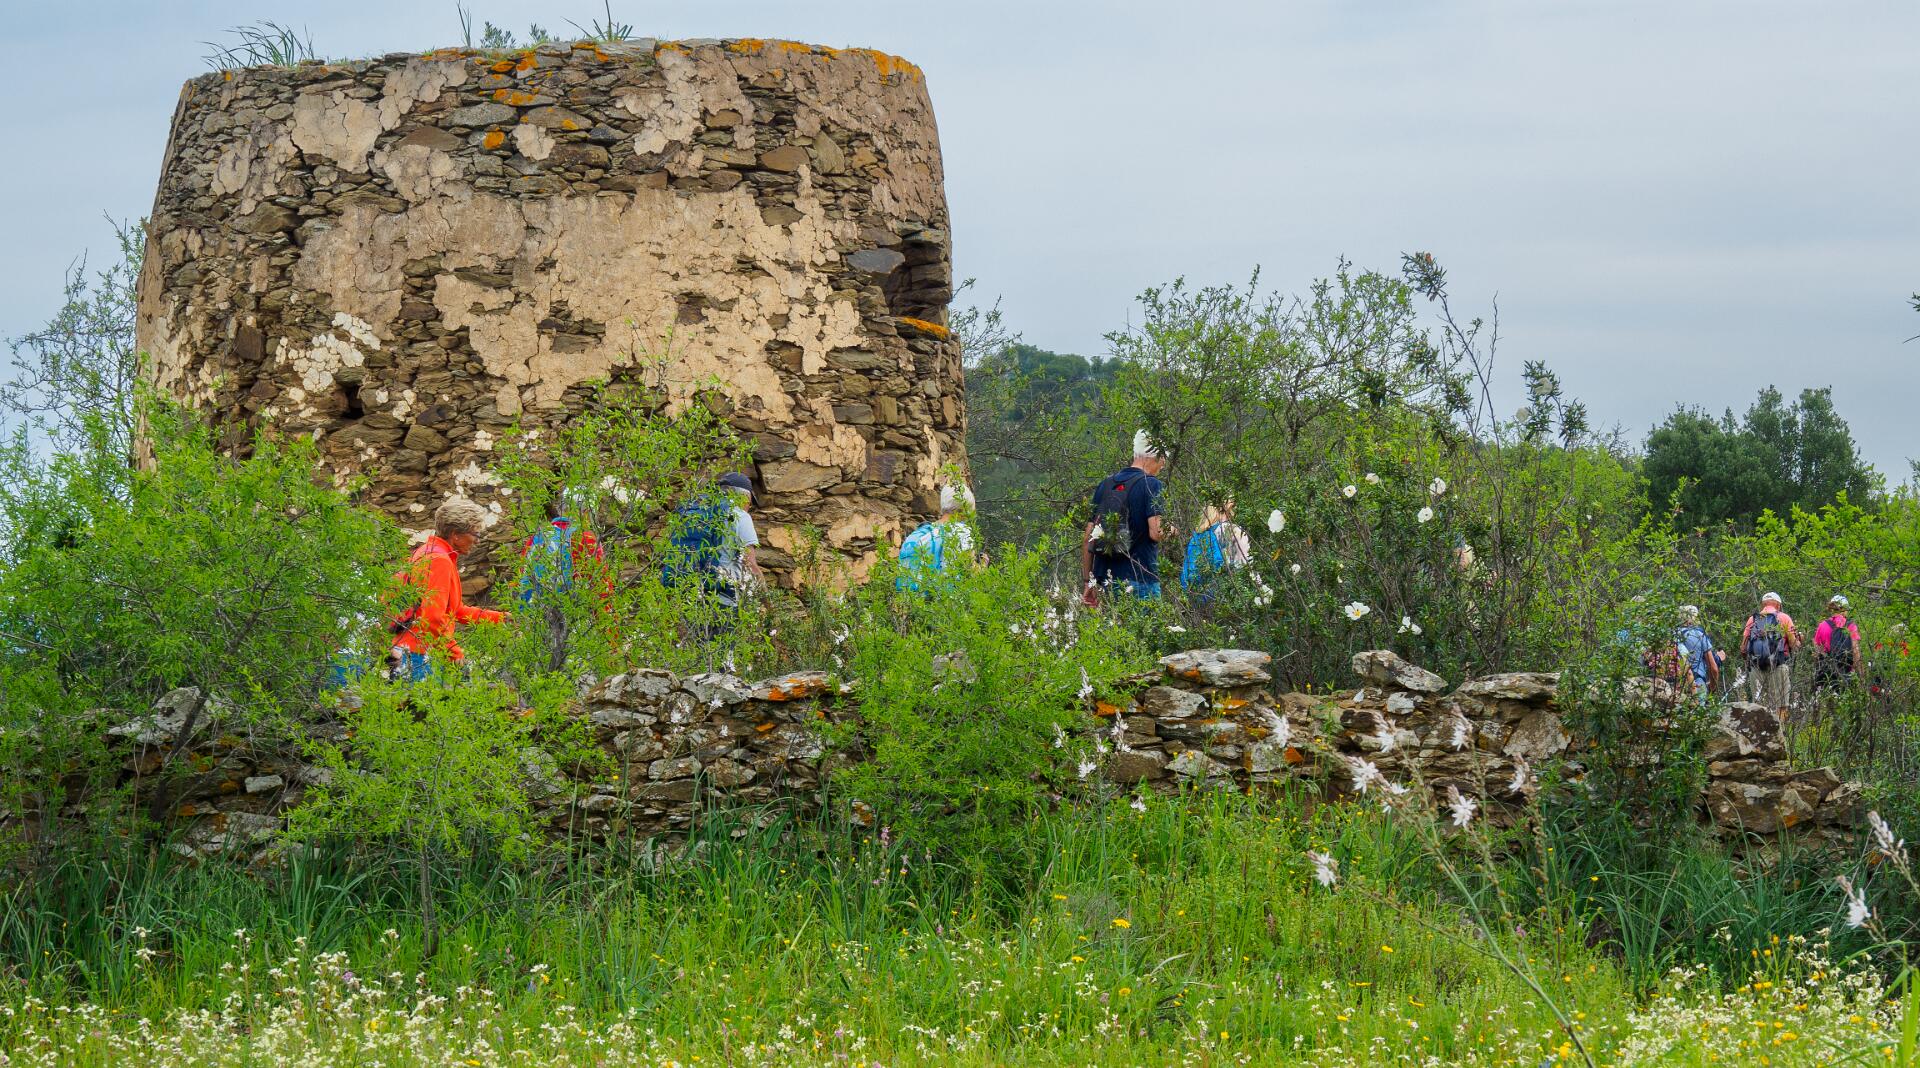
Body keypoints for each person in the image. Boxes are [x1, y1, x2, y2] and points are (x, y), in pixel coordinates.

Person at [388, 497, 506, 681]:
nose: (477, 541)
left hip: (406, 649)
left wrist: (502, 619)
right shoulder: (439, 561)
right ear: (455, 534)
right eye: (475, 534)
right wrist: (455, 654)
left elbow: (455, 610)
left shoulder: (426, 552)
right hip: (419, 655)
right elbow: (433, 618)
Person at [517, 487, 609, 672]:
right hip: (576, 626)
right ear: (586, 511)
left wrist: (521, 622)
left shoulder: (537, 538)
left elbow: (522, 583)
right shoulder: (586, 539)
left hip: (537, 625)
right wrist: (610, 638)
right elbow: (602, 590)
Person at [662, 472, 763, 629]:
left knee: (695, 642)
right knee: (723, 644)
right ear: (744, 496)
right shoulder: (740, 516)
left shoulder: (696, 513)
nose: (749, 508)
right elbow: (750, 565)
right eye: (750, 503)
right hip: (723, 600)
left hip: (690, 598)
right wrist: (769, 604)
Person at [1082, 430, 1168, 602]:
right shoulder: (1152, 484)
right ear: (1153, 456)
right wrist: (1172, 529)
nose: (1163, 465)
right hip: (1140, 580)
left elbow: (1088, 538)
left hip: (1104, 580)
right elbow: (1157, 532)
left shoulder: (1105, 484)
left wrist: (1088, 581)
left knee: (1111, 621)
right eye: (1163, 459)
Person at [897, 483, 978, 591]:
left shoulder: (922, 532)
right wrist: (983, 565)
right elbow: (972, 573)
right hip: (944, 599)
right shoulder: (962, 531)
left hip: (913, 599)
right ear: (966, 507)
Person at [1739, 592, 1800, 713]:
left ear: (1763, 604)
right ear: (1778, 605)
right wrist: (1799, 640)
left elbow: (1743, 648)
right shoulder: (1784, 618)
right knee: (1781, 705)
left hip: (1756, 667)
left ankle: (1761, 725)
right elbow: (1794, 645)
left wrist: (1749, 662)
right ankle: (1780, 725)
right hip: (1778, 666)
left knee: (1759, 707)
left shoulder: (1752, 620)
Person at [1180, 497, 1251, 601]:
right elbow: (1246, 566)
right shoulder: (1232, 530)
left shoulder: (1197, 536)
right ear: (1228, 508)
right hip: (1224, 598)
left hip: (1196, 598)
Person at [1812, 594, 1864, 692]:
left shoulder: (1822, 625)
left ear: (1832, 609)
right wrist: (1861, 676)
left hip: (1826, 676)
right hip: (1845, 675)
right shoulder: (1850, 626)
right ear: (1844, 610)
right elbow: (1856, 651)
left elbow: (1818, 651)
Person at [1674, 604, 1721, 701]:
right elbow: (1714, 669)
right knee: (1698, 709)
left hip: (1675, 684)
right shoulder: (1699, 635)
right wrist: (1712, 688)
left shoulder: (1673, 635)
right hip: (1697, 682)